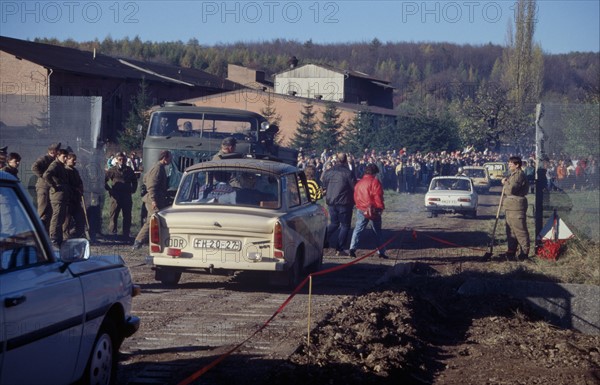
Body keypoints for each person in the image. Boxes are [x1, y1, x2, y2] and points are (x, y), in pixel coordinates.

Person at [133, 150, 172, 250]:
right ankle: (139, 241)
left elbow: (146, 178)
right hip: (153, 200)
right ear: (165, 158)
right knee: (153, 220)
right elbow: (151, 185)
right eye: (169, 157)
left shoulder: (159, 167)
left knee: (151, 220)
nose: (171, 159)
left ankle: (142, 241)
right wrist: (154, 200)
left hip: (156, 198)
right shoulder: (157, 169)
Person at [349, 163, 387, 259]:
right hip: (373, 209)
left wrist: (359, 205)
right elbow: (378, 196)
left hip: (361, 208)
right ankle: (381, 252)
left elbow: (355, 196)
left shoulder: (359, 183)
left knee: (358, 229)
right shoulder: (375, 182)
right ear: (374, 172)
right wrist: (381, 207)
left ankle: (352, 248)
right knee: (377, 231)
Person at [321, 152, 356, 256]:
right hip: (344, 202)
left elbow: (324, 184)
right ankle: (339, 249)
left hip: (331, 201)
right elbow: (354, 187)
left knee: (334, 224)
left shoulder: (329, 171)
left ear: (336, 160)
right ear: (345, 160)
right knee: (345, 225)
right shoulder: (348, 173)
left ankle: (322, 241)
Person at [502, 156, 530, 261]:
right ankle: (511, 251)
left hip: (516, 206)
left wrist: (505, 183)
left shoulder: (519, 175)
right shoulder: (512, 175)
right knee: (511, 231)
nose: (509, 165)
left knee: (520, 230)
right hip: (510, 206)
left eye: (511, 163)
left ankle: (524, 253)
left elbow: (511, 190)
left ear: (517, 165)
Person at [105, 152, 138, 240]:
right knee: (114, 215)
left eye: (123, 159)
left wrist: (133, 190)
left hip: (126, 196)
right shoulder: (112, 170)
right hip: (116, 196)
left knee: (127, 215)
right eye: (120, 159)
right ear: (116, 160)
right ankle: (112, 234)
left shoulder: (129, 170)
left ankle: (126, 234)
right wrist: (110, 190)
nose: (122, 161)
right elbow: (103, 180)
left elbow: (134, 181)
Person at [43, 149, 69, 247]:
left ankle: (59, 238)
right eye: (64, 156)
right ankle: (53, 238)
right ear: (58, 156)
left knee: (61, 218)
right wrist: (53, 185)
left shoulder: (61, 166)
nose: (66, 158)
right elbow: (46, 175)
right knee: (56, 217)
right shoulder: (55, 165)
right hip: (57, 195)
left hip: (62, 195)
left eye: (66, 156)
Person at [32, 142, 61, 232]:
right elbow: (34, 167)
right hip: (43, 188)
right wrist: (44, 177)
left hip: (49, 187)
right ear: (52, 151)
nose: (58, 153)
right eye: (57, 151)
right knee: (42, 211)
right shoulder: (44, 159)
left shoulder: (53, 160)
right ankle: (38, 234)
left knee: (49, 212)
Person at [63, 152, 86, 240]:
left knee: (80, 216)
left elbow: (79, 181)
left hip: (76, 198)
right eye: (73, 160)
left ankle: (79, 234)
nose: (75, 161)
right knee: (67, 219)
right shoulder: (65, 171)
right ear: (67, 160)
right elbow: (66, 184)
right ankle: (65, 236)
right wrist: (75, 188)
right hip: (68, 198)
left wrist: (81, 187)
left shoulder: (75, 171)